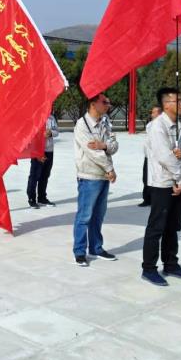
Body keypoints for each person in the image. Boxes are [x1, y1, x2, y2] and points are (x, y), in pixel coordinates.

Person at [141, 87, 181, 286]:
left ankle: (171, 264)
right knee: (157, 227)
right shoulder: (158, 127)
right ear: (166, 104)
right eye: (177, 101)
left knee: (173, 226)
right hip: (163, 183)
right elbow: (164, 156)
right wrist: (178, 179)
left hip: (180, 183)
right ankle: (149, 268)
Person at [72, 92, 119, 267]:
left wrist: (104, 145)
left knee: (98, 216)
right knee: (84, 216)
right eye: (104, 102)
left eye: (108, 102)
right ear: (93, 104)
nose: (108, 105)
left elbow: (114, 145)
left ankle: (96, 248)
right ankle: (79, 251)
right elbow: (93, 152)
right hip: (89, 176)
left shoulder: (105, 122)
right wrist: (109, 169)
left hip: (103, 176)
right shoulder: (82, 125)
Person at [27, 110, 59, 208]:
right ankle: (31, 198)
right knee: (35, 175)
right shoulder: (35, 116)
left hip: (49, 150)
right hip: (38, 150)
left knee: (45, 175)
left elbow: (56, 132)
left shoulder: (51, 118)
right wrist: (37, 152)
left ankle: (42, 198)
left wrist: (50, 133)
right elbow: (30, 135)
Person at [139, 106, 162, 207]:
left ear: (159, 113)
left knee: (157, 179)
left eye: (153, 112)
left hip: (158, 157)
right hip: (148, 156)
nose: (151, 114)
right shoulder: (149, 125)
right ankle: (147, 199)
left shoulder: (163, 125)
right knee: (146, 178)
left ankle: (156, 200)